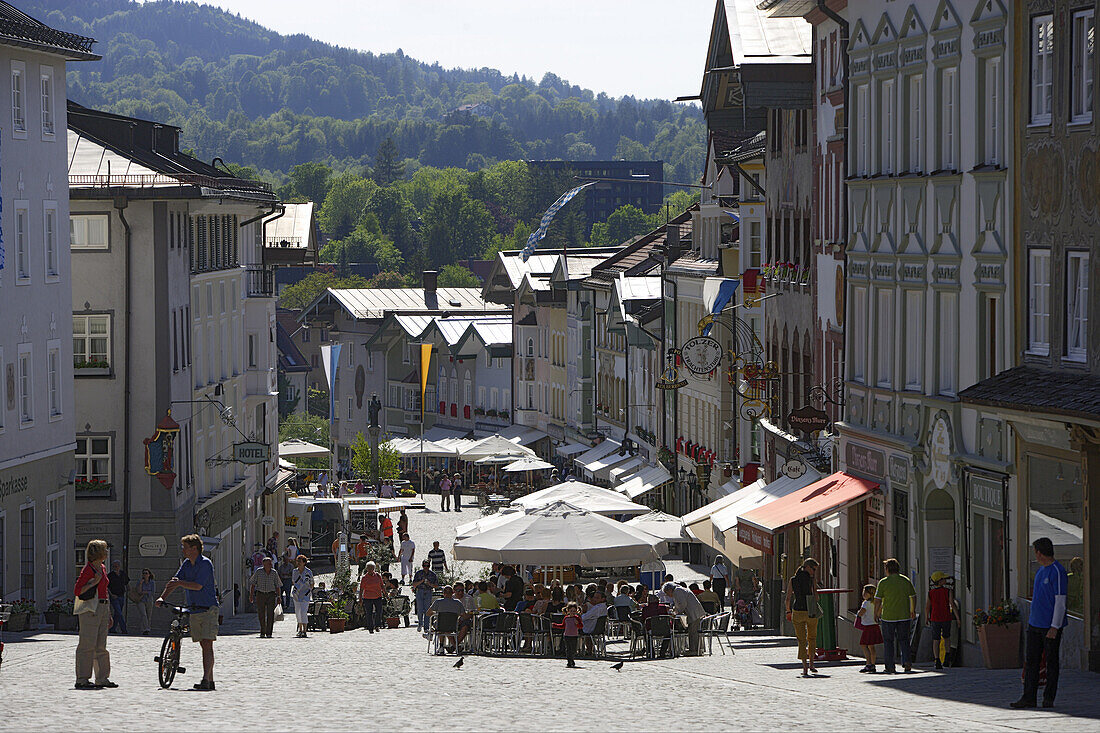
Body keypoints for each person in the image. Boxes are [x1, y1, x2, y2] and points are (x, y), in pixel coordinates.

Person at [1012, 537, 1070, 709]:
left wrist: (1055, 626)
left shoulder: (1057, 571)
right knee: (1032, 662)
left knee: (1051, 662)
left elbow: (1060, 601)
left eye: (1035, 551)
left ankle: (1048, 698)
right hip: (1035, 624)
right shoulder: (1040, 571)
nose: (1035, 555)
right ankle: (1028, 696)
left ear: (1039, 552)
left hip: (1049, 626)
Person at [157, 534, 220, 691]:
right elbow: (174, 582)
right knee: (202, 643)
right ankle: (209, 681)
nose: (183, 550)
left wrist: (180, 583)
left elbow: (198, 586)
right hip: (194, 608)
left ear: (194, 549)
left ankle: (206, 679)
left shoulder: (205, 564)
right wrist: (162, 597)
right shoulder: (186, 564)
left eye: (185, 547)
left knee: (207, 643)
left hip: (208, 609)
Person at [74, 539, 114, 689]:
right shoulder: (88, 569)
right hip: (90, 609)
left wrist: (109, 614)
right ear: (98, 553)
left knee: (101, 645)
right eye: (105, 549)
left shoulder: (102, 568)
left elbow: (105, 591)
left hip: (103, 607)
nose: (107, 552)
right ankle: (82, 678)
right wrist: (93, 582)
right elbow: (78, 591)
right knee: (87, 645)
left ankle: (102, 678)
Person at [874, 558, 917, 675]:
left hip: (888, 616)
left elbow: (877, 600)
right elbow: (913, 596)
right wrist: (912, 610)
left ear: (887, 569)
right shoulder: (905, 580)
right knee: (904, 640)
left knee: (888, 641)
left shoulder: (883, 582)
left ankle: (890, 666)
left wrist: (876, 613)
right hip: (904, 615)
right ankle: (907, 662)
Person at [786, 557, 820, 677]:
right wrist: (816, 603)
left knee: (801, 640)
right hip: (810, 610)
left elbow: (788, 597)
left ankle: (804, 667)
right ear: (807, 567)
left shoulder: (793, 579)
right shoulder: (811, 579)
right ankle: (811, 664)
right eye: (813, 569)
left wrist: (788, 611)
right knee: (812, 638)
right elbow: (815, 594)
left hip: (797, 610)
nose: (814, 572)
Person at [927, 571, 958, 670]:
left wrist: (926, 617)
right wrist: (958, 618)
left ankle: (937, 660)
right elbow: (952, 605)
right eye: (944, 579)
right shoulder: (948, 591)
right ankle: (947, 658)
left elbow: (927, 607)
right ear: (940, 581)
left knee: (936, 639)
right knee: (947, 637)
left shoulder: (930, 593)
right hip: (946, 617)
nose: (945, 580)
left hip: (935, 618)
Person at [664, 582, 706, 656]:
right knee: (692, 631)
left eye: (667, 593)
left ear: (670, 590)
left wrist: (676, 613)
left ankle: (694, 650)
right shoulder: (679, 590)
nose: (667, 595)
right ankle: (695, 649)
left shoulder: (677, 591)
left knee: (693, 632)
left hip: (694, 613)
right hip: (693, 613)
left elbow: (682, 604)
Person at [425, 585, 465, 654]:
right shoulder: (458, 603)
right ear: (453, 593)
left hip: (440, 625)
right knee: (447, 624)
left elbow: (428, 613)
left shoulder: (438, 602)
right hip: (453, 626)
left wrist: (436, 613)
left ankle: (441, 646)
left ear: (443, 593)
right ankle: (455, 646)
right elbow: (463, 615)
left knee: (441, 623)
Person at [249, 556, 281, 638]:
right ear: (264, 564)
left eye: (271, 563)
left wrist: (279, 596)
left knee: (270, 614)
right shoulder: (259, 572)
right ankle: (263, 631)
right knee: (261, 613)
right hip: (260, 594)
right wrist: (251, 595)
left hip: (271, 594)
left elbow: (277, 585)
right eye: (269, 563)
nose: (270, 565)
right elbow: (253, 584)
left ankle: (269, 632)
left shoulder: (274, 573)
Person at [856, 584, 882, 673]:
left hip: (868, 626)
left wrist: (858, 613)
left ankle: (868, 663)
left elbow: (861, 613)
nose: (863, 594)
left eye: (865, 592)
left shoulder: (866, 603)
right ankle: (873, 664)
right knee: (872, 646)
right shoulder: (876, 603)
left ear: (869, 594)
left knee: (864, 645)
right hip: (875, 625)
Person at [412, 560, 440, 633]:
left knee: (427, 609)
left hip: (428, 591)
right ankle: (420, 623)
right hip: (420, 591)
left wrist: (429, 584)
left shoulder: (432, 574)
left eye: (427, 566)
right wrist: (421, 581)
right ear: (422, 566)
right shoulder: (418, 573)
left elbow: (436, 585)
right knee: (420, 609)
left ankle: (426, 626)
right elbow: (414, 584)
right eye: (425, 566)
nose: (426, 567)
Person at [553, 602, 583, 668]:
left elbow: (581, 626)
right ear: (568, 611)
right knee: (568, 649)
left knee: (573, 649)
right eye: (571, 611)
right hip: (567, 635)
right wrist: (555, 625)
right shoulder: (566, 618)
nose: (573, 612)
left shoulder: (577, 618)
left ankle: (572, 659)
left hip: (574, 636)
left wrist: (577, 624)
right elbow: (563, 626)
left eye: (574, 611)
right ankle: (569, 661)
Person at [359, 561, 386, 633]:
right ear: (366, 569)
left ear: (374, 568)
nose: (370, 569)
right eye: (369, 568)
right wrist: (360, 599)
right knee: (369, 613)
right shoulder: (364, 578)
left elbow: (382, 585)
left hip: (377, 596)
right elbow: (361, 589)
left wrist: (385, 593)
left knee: (379, 611)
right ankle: (370, 627)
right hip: (368, 597)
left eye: (372, 568)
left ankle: (377, 625)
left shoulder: (378, 576)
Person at [291, 555, 314, 638]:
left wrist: (308, 590)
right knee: (298, 612)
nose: (298, 563)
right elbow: (293, 581)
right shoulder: (295, 571)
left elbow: (312, 583)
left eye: (300, 562)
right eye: (297, 561)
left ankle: (304, 630)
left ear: (304, 563)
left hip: (305, 594)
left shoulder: (308, 572)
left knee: (303, 612)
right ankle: (300, 629)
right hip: (297, 594)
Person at [106, 560, 129, 634]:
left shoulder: (123, 574)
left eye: (117, 566)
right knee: (119, 612)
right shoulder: (110, 575)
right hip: (114, 596)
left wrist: (129, 591)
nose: (115, 568)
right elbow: (107, 587)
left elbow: (127, 583)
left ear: (119, 566)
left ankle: (113, 629)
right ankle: (124, 629)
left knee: (117, 613)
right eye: (114, 566)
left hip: (121, 596)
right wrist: (111, 594)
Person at [134, 568, 156, 636]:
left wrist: (144, 592)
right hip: (141, 600)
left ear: (149, 574)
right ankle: (146, 629)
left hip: (149, 599)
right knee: (143, 614)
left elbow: (153, 592)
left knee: (148, 615)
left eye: (146, 573)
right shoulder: (140, 581)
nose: (145, 575)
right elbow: (138, 591)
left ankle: (146, 628)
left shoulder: (152, 582)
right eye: (143, 573)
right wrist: (140, 584)